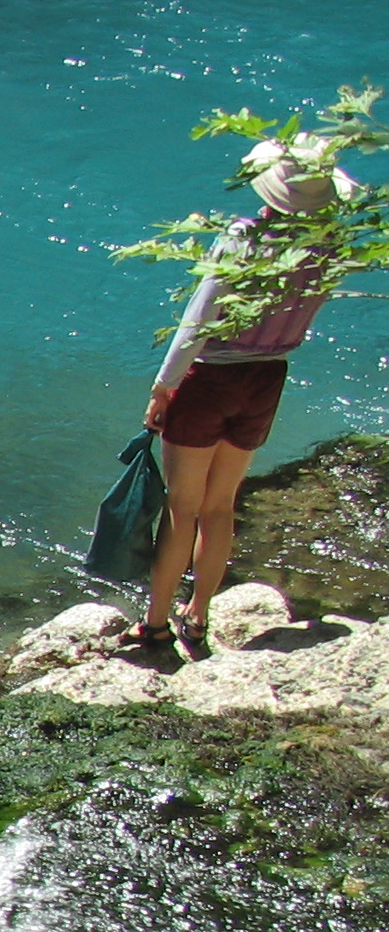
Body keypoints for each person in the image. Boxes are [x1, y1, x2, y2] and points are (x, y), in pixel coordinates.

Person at [133, 137, 353, 652]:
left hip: (210, 379)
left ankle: (157, 624)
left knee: (181, 508)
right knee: (220, 506)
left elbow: (197, 320)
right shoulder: (328, 250)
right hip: (267, 377)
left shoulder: (243, 238)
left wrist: (163, 387)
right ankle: (200, 616)